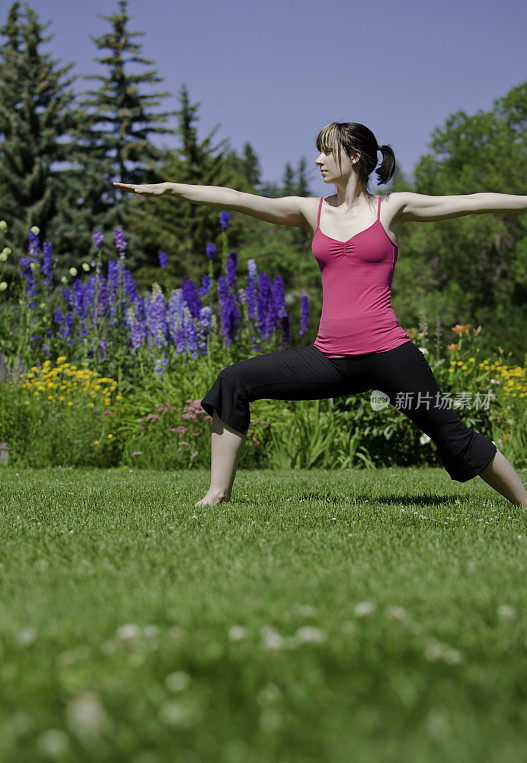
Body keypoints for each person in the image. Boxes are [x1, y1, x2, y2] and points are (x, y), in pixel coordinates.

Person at [113, 121, 527, 510]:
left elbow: (472, 203)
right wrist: (171, 188)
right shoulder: (311, 211)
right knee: (234, 381)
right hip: (330, 358)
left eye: (327, 152)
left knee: (451, 432)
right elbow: (238, 199)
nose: (318, 160)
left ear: (356, 157)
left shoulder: (390, 207)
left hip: (389, 354)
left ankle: (525, 504)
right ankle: (217, 495)